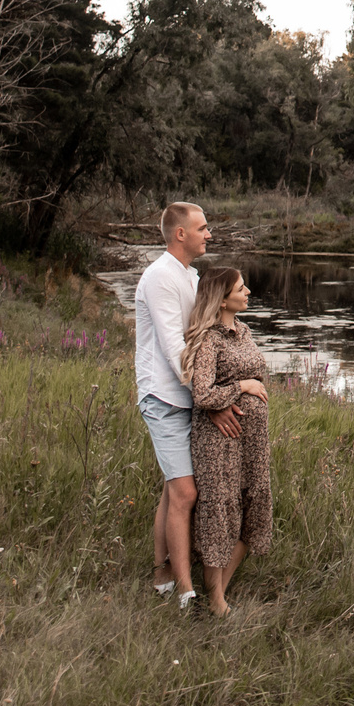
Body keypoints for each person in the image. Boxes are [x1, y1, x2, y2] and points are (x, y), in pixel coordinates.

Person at [132, 201, 240, 609]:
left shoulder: (189, 276)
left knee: (172, 489)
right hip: (164, 396)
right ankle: (185, 591)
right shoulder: (160, 276)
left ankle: (161, 573)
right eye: (203, 228)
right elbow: (174, 345)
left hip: (185, 397)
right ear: (181, 234)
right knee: (185, 493)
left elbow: (201, 337)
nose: (209, 234)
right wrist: (210, 397)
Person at [181, 265, 272, 614]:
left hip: (251, 442)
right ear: (221, 300)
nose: (248, 292)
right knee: (221, 513)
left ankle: (218, 589)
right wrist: (243, 387)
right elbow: (202, 394)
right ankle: (216, 600)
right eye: (240, 288)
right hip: (219, 442)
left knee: (251, 510)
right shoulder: (209, 340)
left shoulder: (244, 332)